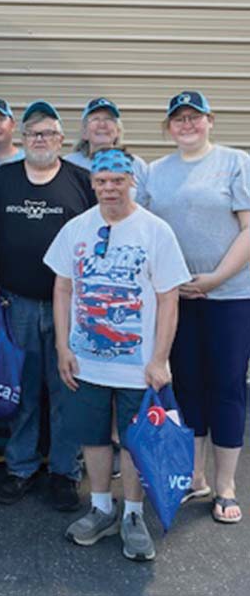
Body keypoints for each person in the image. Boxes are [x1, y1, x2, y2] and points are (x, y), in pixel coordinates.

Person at [44, 147, 190, 561]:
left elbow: (168, 298)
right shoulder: (76, 229)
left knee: (133, 442)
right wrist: (62, 345)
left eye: (118, 181)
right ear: (92, 184)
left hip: (137, 365)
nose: (110, 189)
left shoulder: (155, 231)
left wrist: (159, 358)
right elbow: (62, 288)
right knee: (92, 437)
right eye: (102, 181)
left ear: (132, 183)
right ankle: (101, 508)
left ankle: (132, 515)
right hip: (85, 360)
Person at [145, 90, 250, 524]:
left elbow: (248, 229)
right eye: (178, 119)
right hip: (177, 299)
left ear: (210, 121)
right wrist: (167, 284)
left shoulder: (235, 162)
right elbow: (147, 232)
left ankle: (225, 484)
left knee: (226, 386)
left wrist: (216, 277)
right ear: (168, 127)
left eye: (195, 117)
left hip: (229, 296)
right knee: (186, 386)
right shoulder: (154, 172)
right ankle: (195, 476)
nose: (187, 125)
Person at [0, 100, 95, 511]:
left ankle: (65, 472)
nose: (40, 139)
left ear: (61, 139)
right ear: (22, 138)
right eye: (33, 133)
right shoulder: (4, 178)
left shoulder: (80, 180)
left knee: (66, 388)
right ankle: (21, 468)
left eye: (48, 133)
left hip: (70, 306)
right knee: (23, 390)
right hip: (17, 302)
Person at [65, 98, 148, 204]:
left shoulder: (136, 164)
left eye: (109, 119)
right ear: (84, 132)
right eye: (95, 119)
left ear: (118, 131)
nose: (102, 124)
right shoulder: (69, 164)